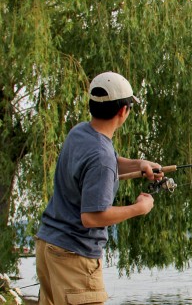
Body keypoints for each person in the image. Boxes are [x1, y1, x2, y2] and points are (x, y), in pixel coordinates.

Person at [35, 72, 162, 304]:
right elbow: (92, 217)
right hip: (73, 256)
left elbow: (105, 163)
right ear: (123, 111)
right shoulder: (101, 156)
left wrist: (139, 164)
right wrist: (138, 208)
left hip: (48, 246)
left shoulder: (81, 132)